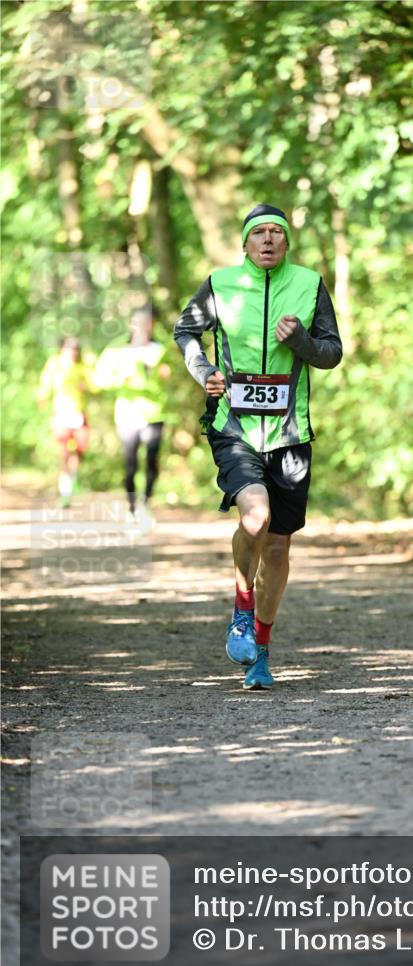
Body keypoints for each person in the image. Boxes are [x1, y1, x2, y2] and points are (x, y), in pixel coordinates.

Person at [174, 203, 342, 690]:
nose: (268, 240)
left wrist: (303, 342)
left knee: (278, 548)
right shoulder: (219, 283)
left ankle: (261, 651)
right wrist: (205, 373)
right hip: (235, 427)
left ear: (287, 243)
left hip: (291, 435)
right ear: (245, 243)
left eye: (276, 233)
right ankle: (242, 609)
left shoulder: (309, 285)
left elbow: (332, 352)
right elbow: (186, 330)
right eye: (259, 233)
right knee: (255, 517)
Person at [95, 307, 170, 520]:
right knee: (130, 464)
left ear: (153, 324)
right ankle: (131, 506)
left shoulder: (160, 349)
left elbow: (172, 375)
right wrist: (122, 379)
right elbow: (100, 379)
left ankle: (145, 502)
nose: (143, 327)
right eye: (139, 322)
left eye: (148, 323)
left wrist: (167, 374)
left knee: (151, 461)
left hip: (155, 414)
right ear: (131, 324)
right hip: (127, 416)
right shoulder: (118, 348)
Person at [38, 336, 93, 506]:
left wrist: (87, 387)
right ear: (62, 349)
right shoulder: (54, 364)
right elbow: (45, 384)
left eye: (76, 350)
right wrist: (42, 397)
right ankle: (65, 490)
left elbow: (95, 384)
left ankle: (73, 479)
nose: (73, 353)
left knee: (78, 452)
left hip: (79, 415)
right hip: (61, 414)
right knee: (63, 452)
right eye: (70, 349)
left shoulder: (83, 367)